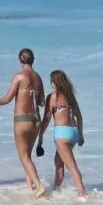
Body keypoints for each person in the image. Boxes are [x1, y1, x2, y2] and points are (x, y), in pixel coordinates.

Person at [0, 48, 46, 197]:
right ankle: (29, 186)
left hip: (21, 120)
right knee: (28, 155)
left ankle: (39, 186)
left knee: (23, 156)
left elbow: (7, 98)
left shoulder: (19, 77)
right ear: (33, 60)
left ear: (20, 61)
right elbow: (42, 102)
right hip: (35, 121)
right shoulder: (38, 78)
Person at [38, 69, 86, 197]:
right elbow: (79, 116)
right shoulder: (70, 96)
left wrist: (40, 135)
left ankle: (82, 194)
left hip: (62, 134)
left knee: (72, 166)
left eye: (52, 82)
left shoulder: (52, 98)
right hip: (74, 132)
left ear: (56, 82)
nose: (51, 85)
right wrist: (81, 134)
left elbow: (47, 119)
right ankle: (57, 189)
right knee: (58, 161)